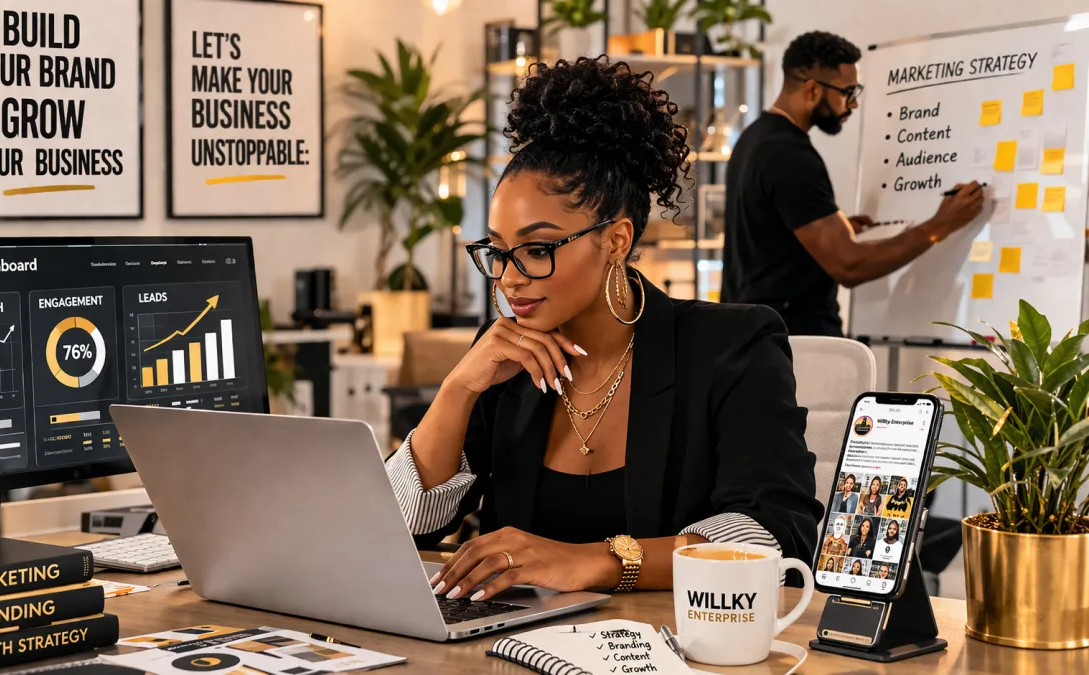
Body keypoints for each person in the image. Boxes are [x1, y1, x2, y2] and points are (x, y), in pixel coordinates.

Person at [386, 56, 822, 602]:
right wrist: (457, 391)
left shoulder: (730, 347)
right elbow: (405, 526)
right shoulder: (504, 359)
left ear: (615, 240)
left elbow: (774, 534)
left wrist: (590, 562)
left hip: (673, 649)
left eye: (538, 249)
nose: (509, 278)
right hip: (512, 649)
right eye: (496, 251)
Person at [721, 31, 986, 335]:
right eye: (848, 92)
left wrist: (831, 224)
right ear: (812, 90)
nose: (853, 105)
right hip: (794, 347)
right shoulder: (790, 156)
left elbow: (765, 231)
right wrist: (939, 226)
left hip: (755, 335)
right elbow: (850, 265)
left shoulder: (754, 138)